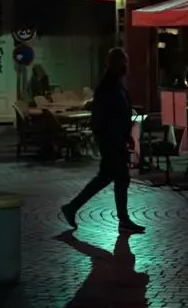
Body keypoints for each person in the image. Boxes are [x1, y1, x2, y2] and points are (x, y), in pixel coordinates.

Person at [61, 48, 145, 233]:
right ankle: (122, 219)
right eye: (124, 63)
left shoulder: (115, 85)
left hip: (115, 140)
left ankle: (72, 207)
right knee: (119, 179)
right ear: (116, 64)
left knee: (107, 178)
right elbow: (104, 118)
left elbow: (121, 114)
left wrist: (126, 135)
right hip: (111, 142)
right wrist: (113, 139)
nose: (127, 67)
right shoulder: (108, 87)